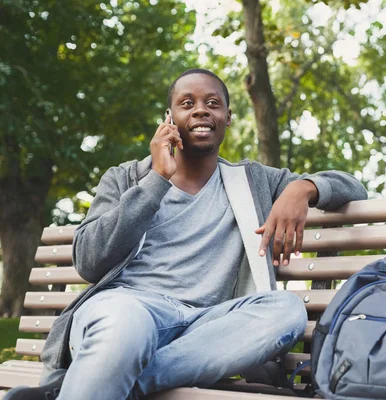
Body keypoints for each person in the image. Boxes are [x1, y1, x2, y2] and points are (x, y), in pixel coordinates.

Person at [5, 68, 367, 400]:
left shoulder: (253, 181)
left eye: (213, 103)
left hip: (204, 328)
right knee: (125, 326)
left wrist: (301, 188)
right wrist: (155, 182)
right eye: (186, 103)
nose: (200, 111)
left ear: (227, 118)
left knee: (286, 310)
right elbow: (88, 261)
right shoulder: (125, 177)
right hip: (128, 309)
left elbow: (352, 186)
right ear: (169, 119)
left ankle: (94, 387)